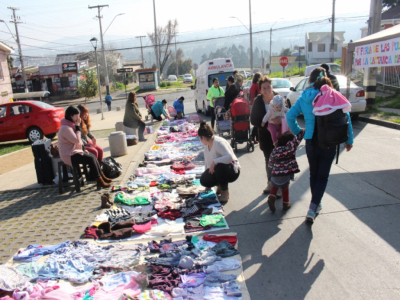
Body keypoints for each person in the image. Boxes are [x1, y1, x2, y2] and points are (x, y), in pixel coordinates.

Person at [286, 67, 354, 223]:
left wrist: (299, 132)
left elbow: (290, 116)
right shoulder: (332, 94)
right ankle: (313, 207)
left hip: (311, 141)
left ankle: (314, 203)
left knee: (314, 175)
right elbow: (346, 116)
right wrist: (349, 140)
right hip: (329, 142)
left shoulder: (304, 96)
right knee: (323, 177)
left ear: (310, 80)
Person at [58, 106, 111, 190]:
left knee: (92, 156)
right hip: (68, 155)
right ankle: (98, 180)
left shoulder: (70, 125)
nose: (79, 118)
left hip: (74, 151)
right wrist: (78, 127)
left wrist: (83, 149)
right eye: (77, 116)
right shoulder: (66, 128)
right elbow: (76, 140)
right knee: (90, 159)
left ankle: (101, 177)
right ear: (71, 116)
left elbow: (79, 142)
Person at [250, 75, 283, 196]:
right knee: (269, 160)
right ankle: (270, 183)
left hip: (279, 136)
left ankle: (278, 186)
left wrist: (281, 121)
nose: (266, 90)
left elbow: (287, 112)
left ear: (271, 86)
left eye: (268, 87)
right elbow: (253, 120)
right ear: (260, 90)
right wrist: (266, 126)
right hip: (265, 137)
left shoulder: (279, 97)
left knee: (278, 161)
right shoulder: (258, 101)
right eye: (263, 88)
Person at [198, 121, 240, 203]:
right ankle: (220, 184)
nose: (200, 141)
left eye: (199, 138)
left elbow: (230, 157)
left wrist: (215, 161)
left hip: (232, 171)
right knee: (204, 180)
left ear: (203, 137)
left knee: (219, 166)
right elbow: (207, 163)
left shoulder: (218, 143)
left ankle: (225, 191)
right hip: (220, 171)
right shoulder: (206, 146)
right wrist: (208, 185)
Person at [267, 130, 305, 212]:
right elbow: (297, 139)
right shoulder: (291, 148)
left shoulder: (275, 150)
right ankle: (285, 204)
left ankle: (271, 197)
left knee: (274, 186)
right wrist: (302, 132)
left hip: (275, 174)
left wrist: (271, 170)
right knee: (285, 188)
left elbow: (271, 162)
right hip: (286, 173)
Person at [250, 72, 262, 144]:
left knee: (257, 123)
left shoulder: (252, 85)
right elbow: (259, 95)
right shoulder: (257, 86)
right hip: (257, 105)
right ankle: (253, 136)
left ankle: (256, 138)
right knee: (258, 123)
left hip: (253, 104)